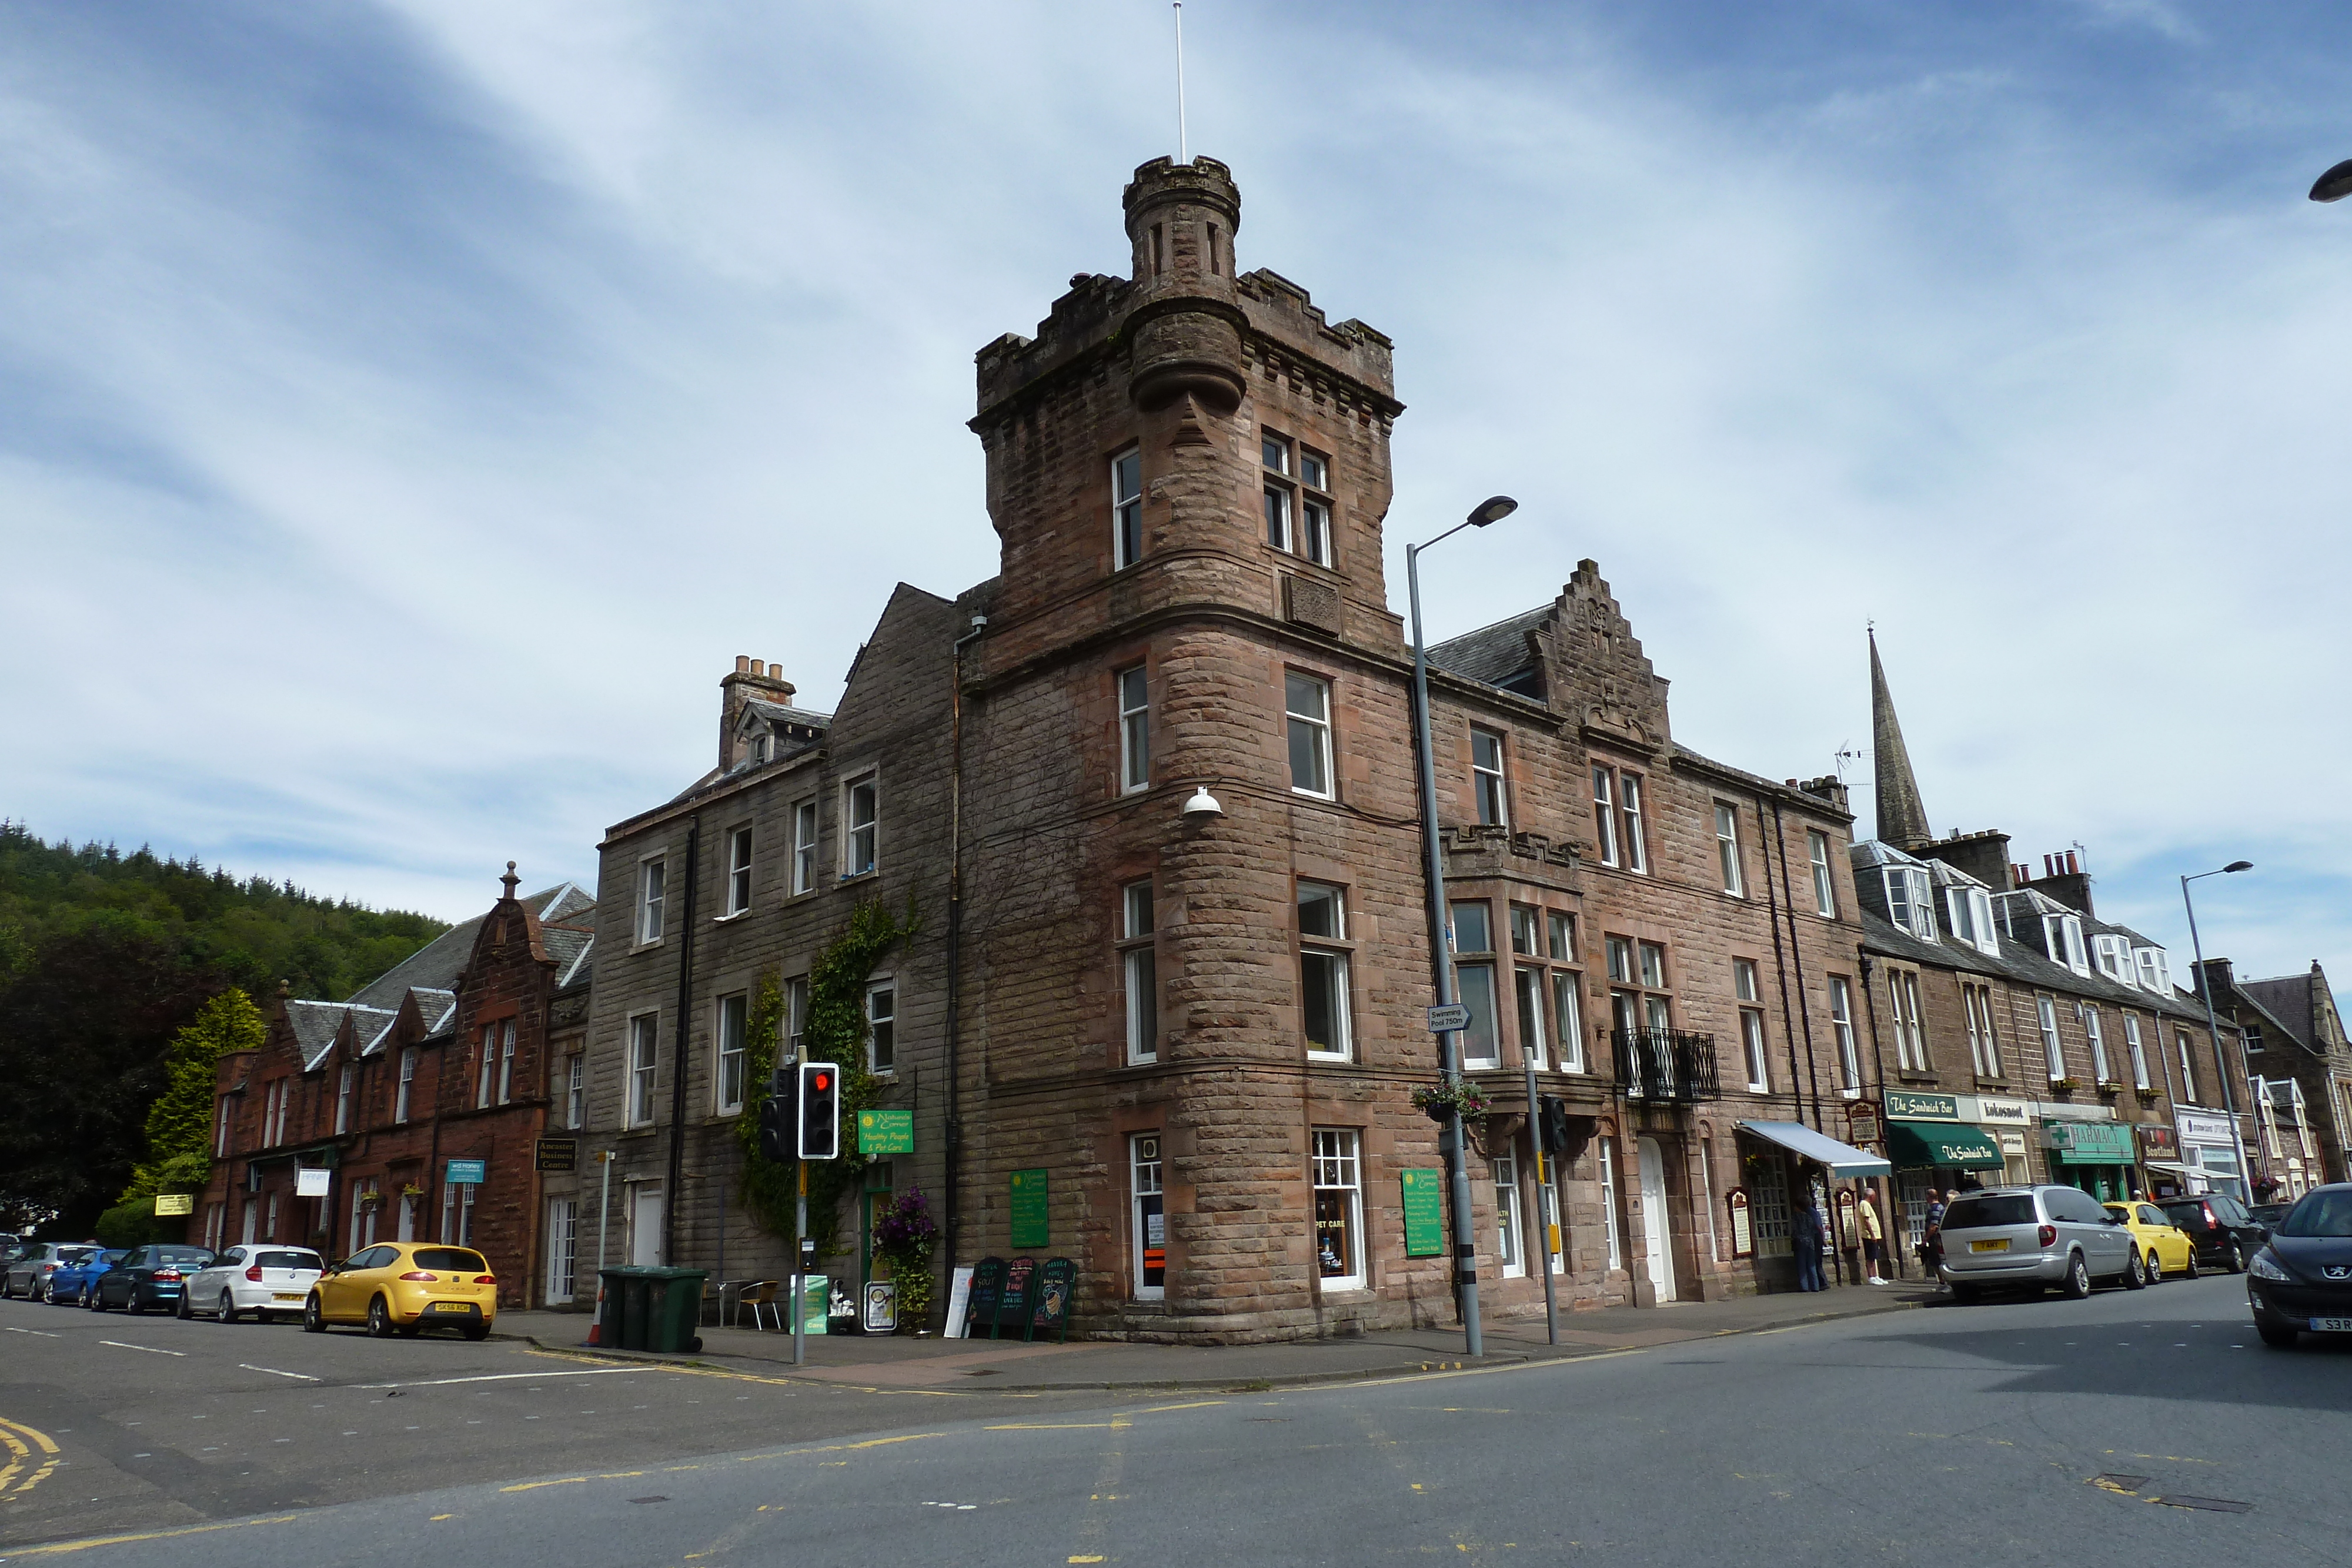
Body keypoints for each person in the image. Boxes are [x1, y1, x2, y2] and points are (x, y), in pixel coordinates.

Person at [1792, 1196, 1825, 1292]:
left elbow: (1793, 1230)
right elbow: (1814, 1228)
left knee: (1802, 1265)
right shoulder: (1809, 1217)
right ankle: (1816, 1286)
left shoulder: (1796, 1218)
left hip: (1800, 1242)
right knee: (1812, 1264)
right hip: (1810, 1242)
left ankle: (1805, 1286)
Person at [1859, 1189, 1887, 1284]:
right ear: (1871, 1196)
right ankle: (1871, 1277)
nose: (1875, 1198)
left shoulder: (1867, 1205)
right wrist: (1872, 1234)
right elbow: (1866, 1221)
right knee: (1870, 1257)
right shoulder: (1864, 1204)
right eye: (1874, 1196)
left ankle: (1876, 1276)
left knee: (1874, 1256)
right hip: (1869, 1236)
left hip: (1873, 1235)